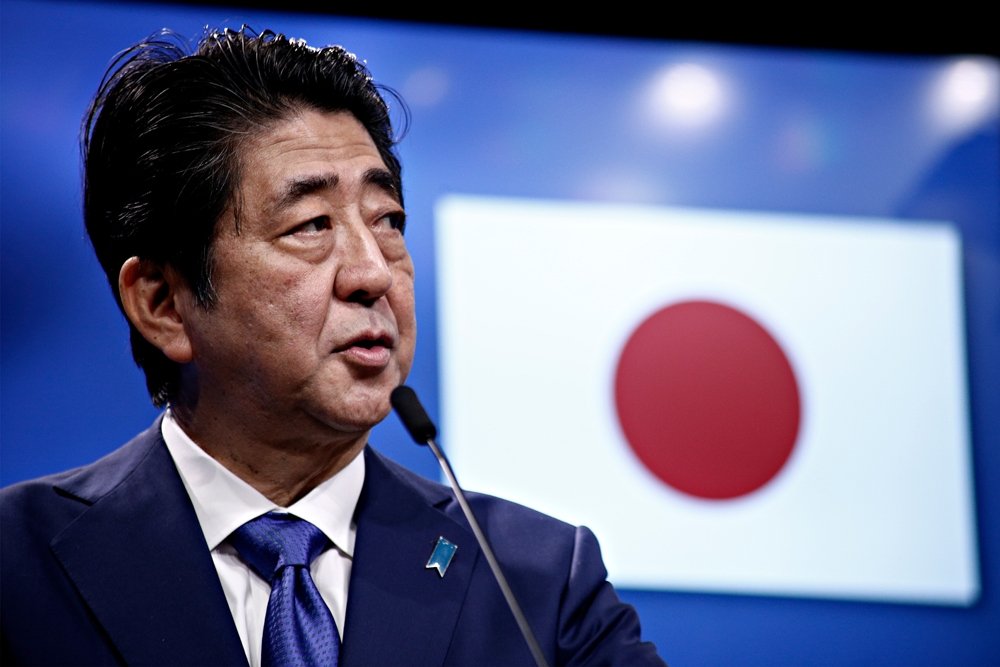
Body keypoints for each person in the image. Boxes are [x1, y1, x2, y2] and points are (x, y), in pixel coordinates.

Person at [0, 26, 666, 666]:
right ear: (163, 303)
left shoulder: (538, 582)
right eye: (312, 224)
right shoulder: (18, 563)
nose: (374, 272)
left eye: (388, 221)